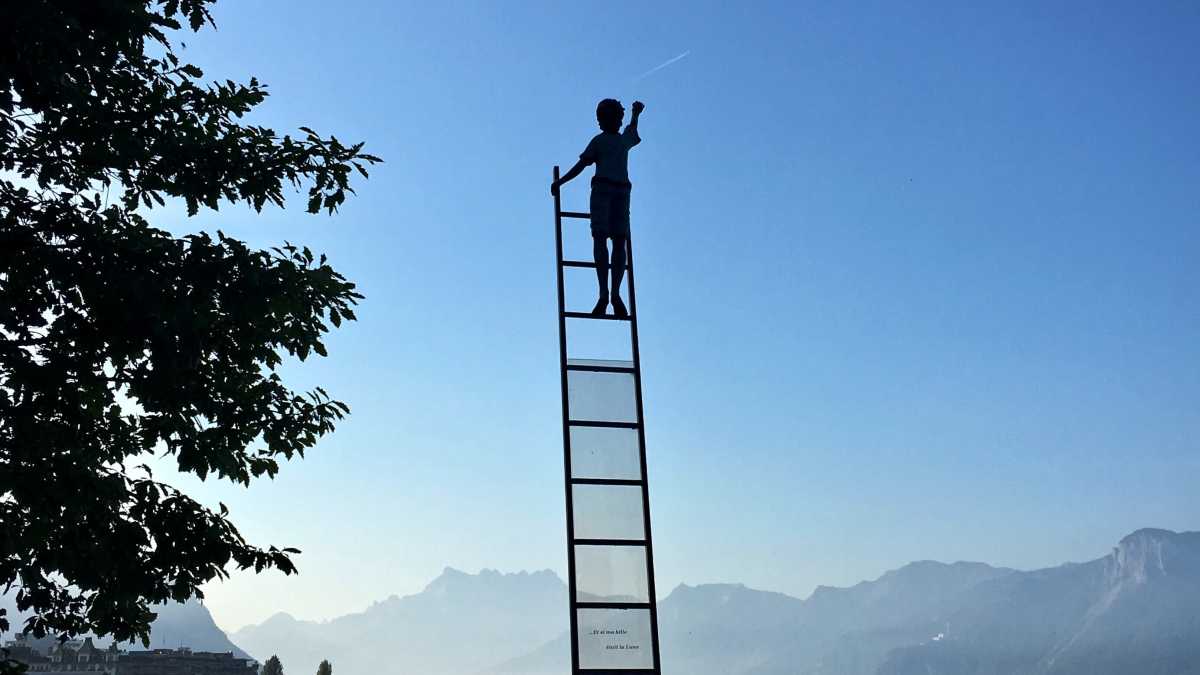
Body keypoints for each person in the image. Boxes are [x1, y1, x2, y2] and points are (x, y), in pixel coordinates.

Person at [552, 99, 644, 317]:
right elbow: (582, 165)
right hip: (602, 192)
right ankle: (604, 293)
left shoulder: (622, 141)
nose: (618, 122)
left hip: (621, 192)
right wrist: (561, 182)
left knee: (620, 242)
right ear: (603, 120)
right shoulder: (599, 142)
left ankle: (615, 294)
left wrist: (636, 114)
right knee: (601, 239)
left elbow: (632, 131)